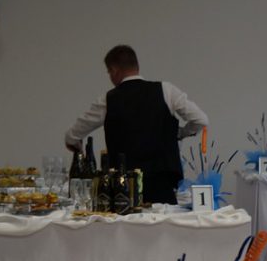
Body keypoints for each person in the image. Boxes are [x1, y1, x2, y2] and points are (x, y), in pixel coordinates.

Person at [64, 45, 208, 205]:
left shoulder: (108, 100)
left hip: (124, 189)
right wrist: (180, 133)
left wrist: (73, 142)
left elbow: (74, 133)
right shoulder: (166, 90)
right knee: (164, 220)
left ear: (114, 70)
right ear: (136, 66)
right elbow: (201, 119)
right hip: (162, 184)